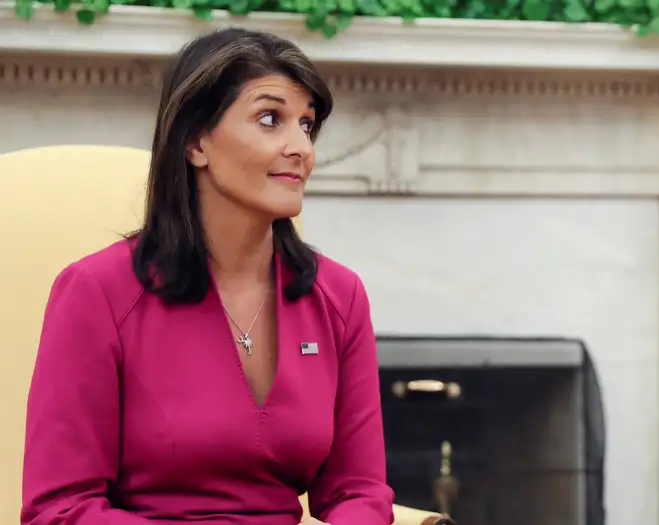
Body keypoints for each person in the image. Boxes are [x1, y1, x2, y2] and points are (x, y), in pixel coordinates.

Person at [21, 29, 394, 525]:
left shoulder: (340, 297)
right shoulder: (97, 293)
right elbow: (59, 508)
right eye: (270, 119)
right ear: (196, 141)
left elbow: (358, 492)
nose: (300, 148)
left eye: (307, 125)